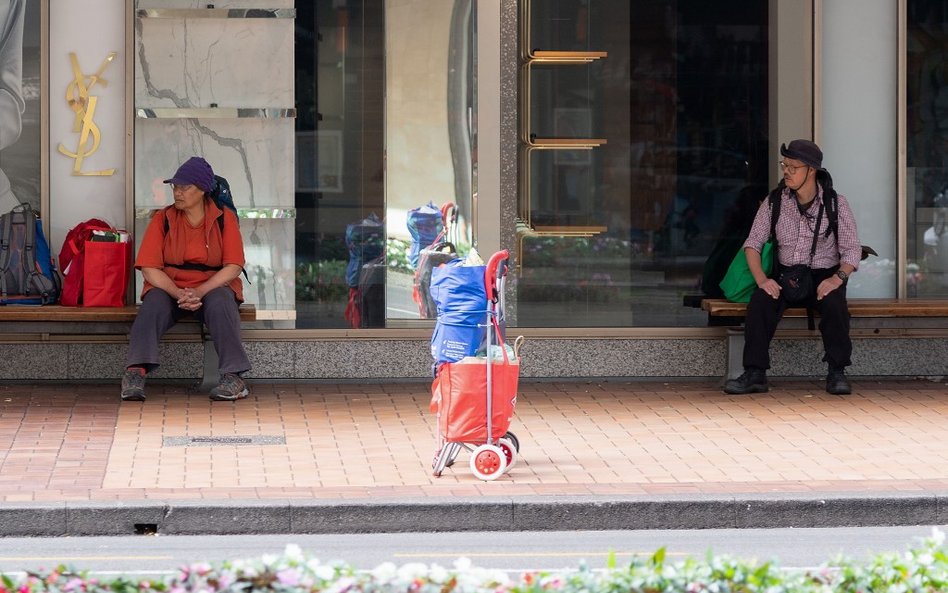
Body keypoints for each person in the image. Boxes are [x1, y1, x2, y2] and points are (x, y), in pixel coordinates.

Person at [724, 139, 861, 396]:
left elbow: (852, 250)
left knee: (835, 306)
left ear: (812, 170)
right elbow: (752, 244)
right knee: (760, 303)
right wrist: (763, 280)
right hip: (785, 275)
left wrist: (837, 278)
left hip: (823, 275)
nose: (786, 171)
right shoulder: (774, 202)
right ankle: (755, 373)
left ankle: (837, 371)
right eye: (784, 165)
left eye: (793, 167)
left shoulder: (835, 204)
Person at [121, 156, 251, 402]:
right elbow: (149, 268)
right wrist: (179, 293)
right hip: (171, 285)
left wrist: (199, 292)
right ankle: (135, 372)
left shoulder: (224, 218)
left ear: (202, 190)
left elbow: (233, 266)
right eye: (175, 187)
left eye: (184, 187)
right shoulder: (164, 218)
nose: (177, 193)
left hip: (213, 285)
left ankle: (233, 376)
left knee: (222, 303)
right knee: (152, 305)